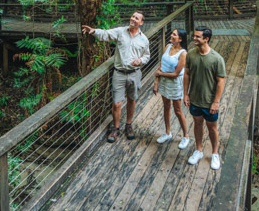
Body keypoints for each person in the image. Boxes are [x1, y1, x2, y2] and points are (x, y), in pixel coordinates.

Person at [81, 10, 150, 143]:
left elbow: (147, 56)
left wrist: (140, 61)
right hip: (119, 73)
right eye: (132, 16)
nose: (133, 19)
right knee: (117, 103)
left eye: (136, 18)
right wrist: (93, 31)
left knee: (131, 99)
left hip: (134, 73)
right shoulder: (120, 32)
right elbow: (106, 34)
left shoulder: (144, 39)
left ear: (141, 22)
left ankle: (129, 125)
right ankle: (116, 128)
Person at [183, 25, 226, 170]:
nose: (194, 38)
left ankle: (214, 153)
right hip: (195, 98)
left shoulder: (216, 59)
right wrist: (185, 94)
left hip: (209, 101)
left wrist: (216, 102)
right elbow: (187, 74)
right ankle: (199, 150)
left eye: (197, 37)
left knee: (212, 128)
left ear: (206, 39)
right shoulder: (191, 54)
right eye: (194, 36)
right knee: (197, 123)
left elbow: (221, 81)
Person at [152, 29, 190, 149]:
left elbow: (176, 73)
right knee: (166, 106)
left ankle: (186, 136)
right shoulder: (168, 46)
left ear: (180, 39)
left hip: (174, 82)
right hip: (164, 80)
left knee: (178, 110)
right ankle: (168, 133)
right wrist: (156, 82)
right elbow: (161, 64)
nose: (171, 35)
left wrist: (160, 74)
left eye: (174, 34)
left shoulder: (183, 53)